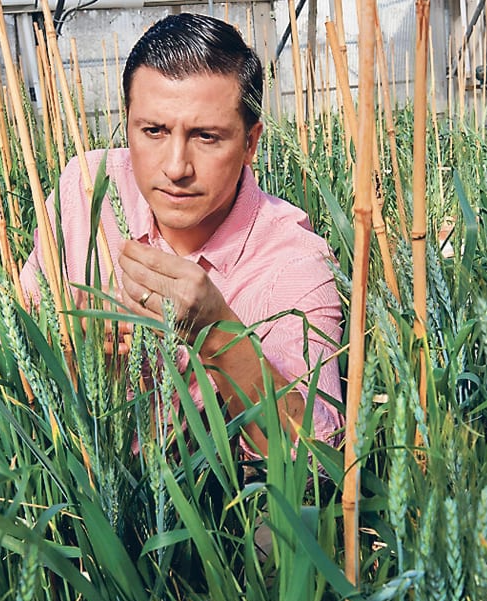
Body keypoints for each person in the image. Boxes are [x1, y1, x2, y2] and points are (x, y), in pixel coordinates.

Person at [20, 13, 342, 454]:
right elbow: (20, 330)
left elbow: (315, 454)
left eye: (206, 136)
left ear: (250, 143)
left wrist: (219, 333)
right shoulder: (87, 188)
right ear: (128, 123)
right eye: (153, 131)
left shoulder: (295, 261)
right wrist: (73, 341)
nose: (175, 167)